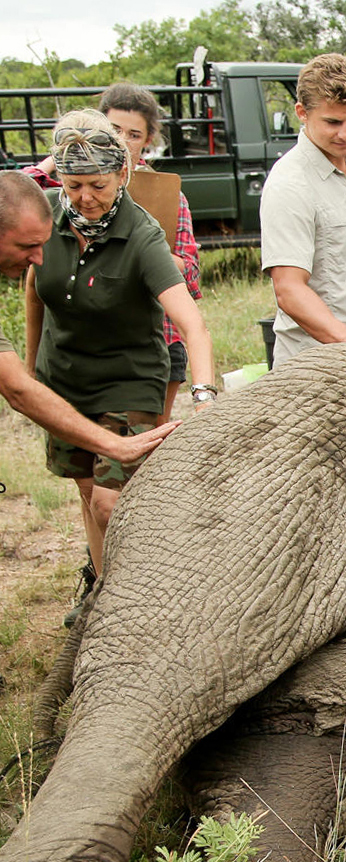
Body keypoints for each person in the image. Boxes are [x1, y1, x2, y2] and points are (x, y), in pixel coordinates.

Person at [24, 111, 215, 587]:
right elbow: (34, 291)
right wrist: (30, 375)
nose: (84, 198)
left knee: (112, 504)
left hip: (128, 380)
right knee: (89, 494)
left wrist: (205, 394)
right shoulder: (46, 215)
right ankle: (102, 592)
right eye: (72, 186)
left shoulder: (143, 234)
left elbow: (191, 322)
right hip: (64, 381)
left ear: (122, 175)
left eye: (97, 186)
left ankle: (140, 593)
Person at [28, 84, 206, 420]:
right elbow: (19, 192)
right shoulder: (64, 199)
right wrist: (64, 152)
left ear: (148, 140)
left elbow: (191, 278)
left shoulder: (164, 196)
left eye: (133, 134)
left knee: (139, 454)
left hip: (155, 342)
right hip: (78, 355)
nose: (123, 141)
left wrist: (141, 259)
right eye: (114, 131)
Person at [0, 172, 178, 460]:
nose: (38, 259)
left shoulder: (141, 230)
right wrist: (115, 445)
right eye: (27, 247)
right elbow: (16, 388)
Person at [260, 53, 346, 366]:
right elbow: (289, 289)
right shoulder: (289, 183)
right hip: (316, 366)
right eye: (332, 122)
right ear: (302, 113)